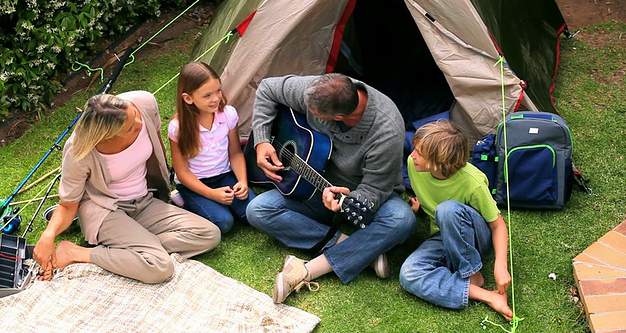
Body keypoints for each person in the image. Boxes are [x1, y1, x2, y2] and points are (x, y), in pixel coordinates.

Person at [246, 73, 416, 304]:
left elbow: (375, 188)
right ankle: (358, 248)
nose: (306, 110)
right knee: (258, 210)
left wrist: (350, 198)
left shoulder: (387, 132)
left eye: (313, 113)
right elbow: (267, 88)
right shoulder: (321, 89)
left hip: (358, 191)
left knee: (401, 219)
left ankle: (307, 270)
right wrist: (263, 140)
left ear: (338, 117)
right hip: (311, 185)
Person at [33, 91, 221, 284]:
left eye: (135, 115)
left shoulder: (144, 103)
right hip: (106, 211)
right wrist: (48, 235)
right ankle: (78, 252)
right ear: (107, 136)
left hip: (144, 201)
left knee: (209, 234)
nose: (140, 124)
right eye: (131, 128)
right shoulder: (79, 151)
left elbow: (159, 151)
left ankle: (137, 250)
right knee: (160, 267)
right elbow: (67, 205)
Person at [399, 120, 513, 321]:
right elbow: (432, 198)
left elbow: (498, 225)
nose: (412, 155)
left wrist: (500, 265)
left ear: (440, 161)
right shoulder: (413, 165)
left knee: (447, 209)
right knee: (409, 274)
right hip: (444, 235)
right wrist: (421, 210)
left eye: (419, 153)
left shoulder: (473, 182)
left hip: (478, 238)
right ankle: (486, 295)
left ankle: (471, 271)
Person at [168, 61, 255, 233]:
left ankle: (213, 203)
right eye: (207, 95)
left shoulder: (228, 114)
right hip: (195, 183)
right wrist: (211, 194)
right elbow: (182, 171)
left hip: (224, 175)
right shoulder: (177, 127)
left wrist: (242, 181)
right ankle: (185, 202)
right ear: (188, 98)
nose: (216, 98)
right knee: (224, 222)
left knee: (253, 213)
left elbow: (235, 153)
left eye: (218, 91)